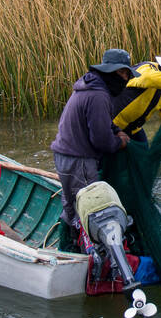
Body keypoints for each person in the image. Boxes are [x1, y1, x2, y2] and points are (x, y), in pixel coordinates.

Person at [51, 48, 135, 232]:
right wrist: (119, 143)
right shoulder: (99, 95)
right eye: (121, 73)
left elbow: (101, 123)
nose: (125, 78)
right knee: (90, 208)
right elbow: (101, 140)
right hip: (78, 159)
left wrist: (117, 131)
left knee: (72, 205)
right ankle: (87, 251)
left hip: (64, 155)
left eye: (127, 73)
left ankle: (72, 241)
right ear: (109, 71)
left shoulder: (89, 86)